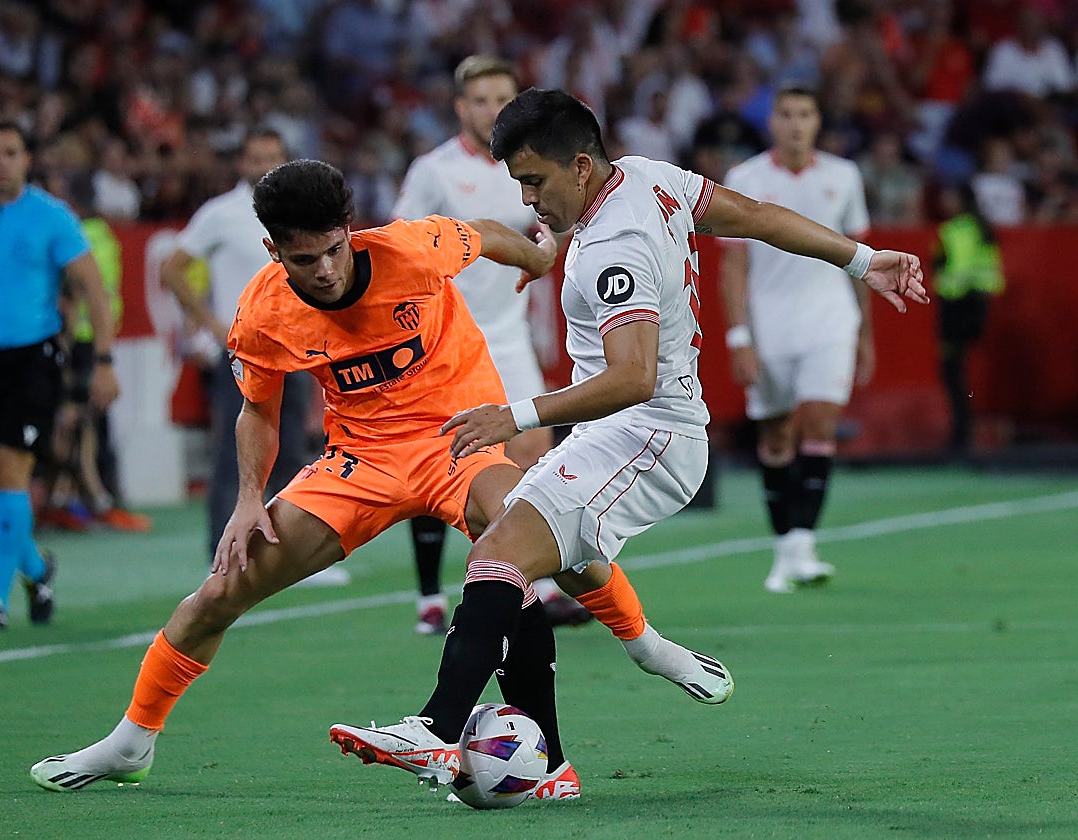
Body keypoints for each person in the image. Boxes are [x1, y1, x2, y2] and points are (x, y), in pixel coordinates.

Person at [28, 160, 729, 798]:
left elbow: (484, 233)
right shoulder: (265, 309)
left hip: (458, 437)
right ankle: (131, 742)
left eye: (335, 249)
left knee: (532, 539)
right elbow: (257, 410)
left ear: (350, 232)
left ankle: (636, 658)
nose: (327, 269)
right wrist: (247, 500)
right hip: (359, 460)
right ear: (275, 252)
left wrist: (539, 256)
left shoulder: (410, 248)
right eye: (306, 259)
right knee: (221, 589)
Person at [330, 88, 926, 794]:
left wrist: (515, 415)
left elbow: (634, 377)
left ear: (580, 166)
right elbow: (756, 217)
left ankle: (435, 730)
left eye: (534, 181)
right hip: (623, 433)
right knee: (528, 547)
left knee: (500, 551)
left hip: (651, 436)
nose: (528, 199)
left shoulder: (618, 246)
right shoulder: (647, 176)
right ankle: (596, 709)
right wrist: (861, 259)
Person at [391, 54, 587, 633]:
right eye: (480, 100)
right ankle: (429, 595)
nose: (492, 110)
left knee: (535, 449)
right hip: (444, 342)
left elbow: (561, 224)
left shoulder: (531, 164)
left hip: (508, 332)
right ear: (461, 108)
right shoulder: (435, 170)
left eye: (502, 98)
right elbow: (403, 244)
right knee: (436, 461)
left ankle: (536, 585)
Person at [0, 120, 121, 630]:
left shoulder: (51, 218)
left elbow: (92, 288)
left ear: (26, 160)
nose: (0, 162)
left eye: (10, 152)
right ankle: (36, 569)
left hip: (33, 358)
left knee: (11, 470)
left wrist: (103, 360)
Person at [159, 130, 337, 581]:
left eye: (273, 156)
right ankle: (221, 554)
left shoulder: (296, 211)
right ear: (242, 162)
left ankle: (300, 555)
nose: (264, 164)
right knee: (231, 451)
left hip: (296, 345)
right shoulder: (221, 214)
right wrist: (212, 324)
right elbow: (172, 268)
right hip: (243, 349)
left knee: (293, 446)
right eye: (257, 156)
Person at [718, 85, 874, 594]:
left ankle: (803, 545)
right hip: (770, 325)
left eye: (805, 114)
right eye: (786, 114)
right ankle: (785, 550)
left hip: (831, 320)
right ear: (772, 123)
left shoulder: (844, 176)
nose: (796, 124)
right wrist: (739, 336)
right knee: (777, 435)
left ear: (818, 121)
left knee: (820, 419)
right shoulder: (745, 179)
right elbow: (734, 264)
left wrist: (865, 331)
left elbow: (859, 259)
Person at [40, 171, 152, 533]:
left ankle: (72, 500)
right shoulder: (93, 237)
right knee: (78, 422)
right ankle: (83, 500)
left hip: (87, 341)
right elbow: (73, 295)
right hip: (79, 343)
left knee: (84, 422)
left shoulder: (81, 236)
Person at [932, 183, 1004, 454]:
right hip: (978, 306)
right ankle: (964, 431)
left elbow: (953, 271)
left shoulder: (954, 230)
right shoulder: (984, 228)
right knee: (964, 371)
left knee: (951, 370)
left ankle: (961, 433)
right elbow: (990, 270)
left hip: (956, 306)